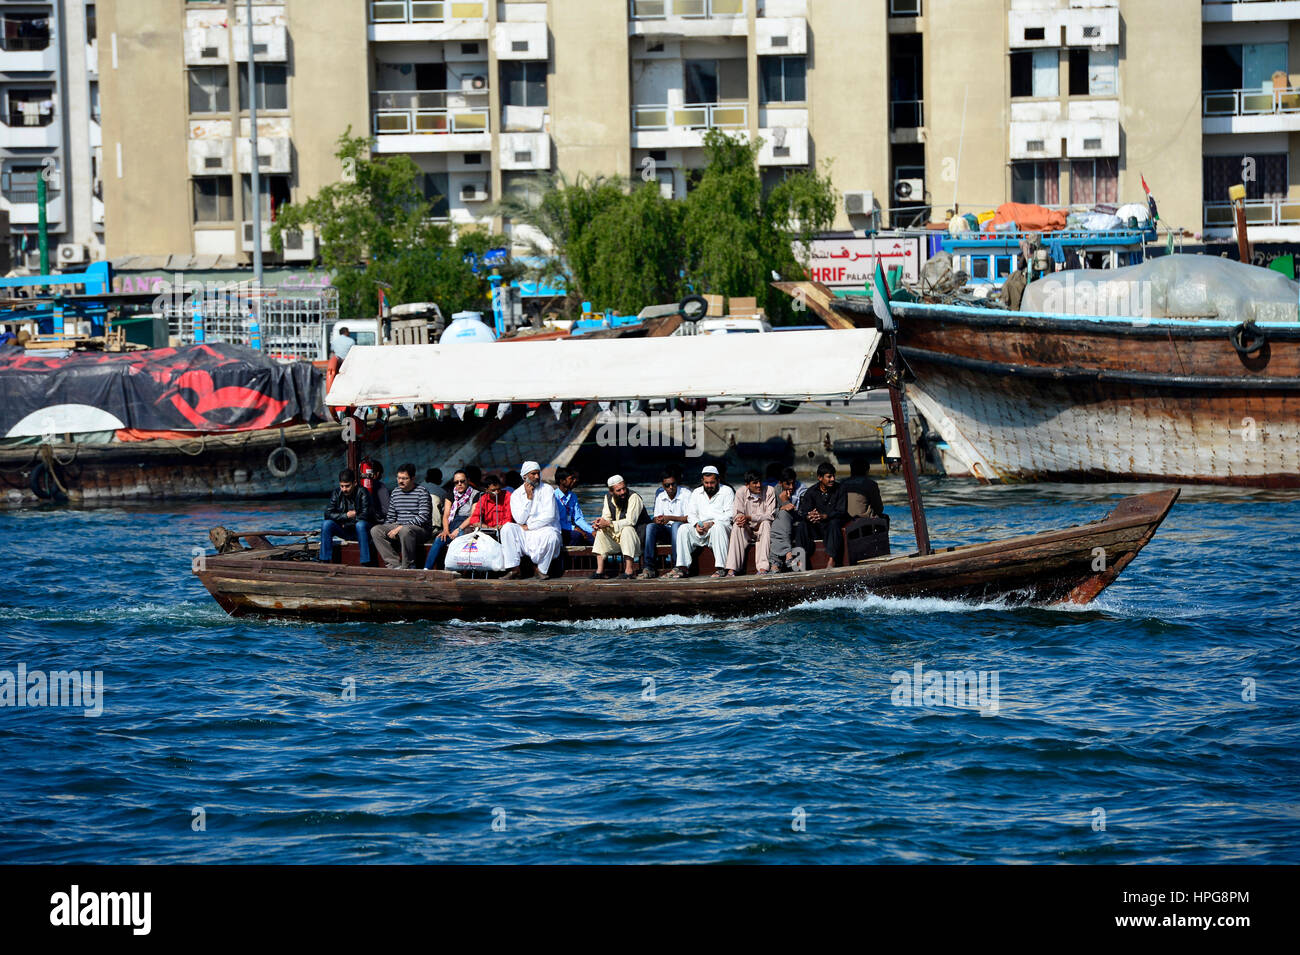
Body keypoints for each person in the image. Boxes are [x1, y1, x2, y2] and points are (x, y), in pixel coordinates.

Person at [665, 465, 735, 579]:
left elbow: (730, 515)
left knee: (718, 527)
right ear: (702, 481)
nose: (709, 485)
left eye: (712, 482)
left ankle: (721, 568)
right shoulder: (697, 492)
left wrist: (712, 523)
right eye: (706, 483)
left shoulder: (727, 491)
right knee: (683, 529)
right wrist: (696, 524)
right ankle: (682, 567)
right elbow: (691, 514)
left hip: (719, 528)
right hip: (701, 529)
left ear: (718, 480)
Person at [499, 460, 563, 578]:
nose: (537, 476)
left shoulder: (547, 489)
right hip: (526, 533)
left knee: (552, 536)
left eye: (538, 473)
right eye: (533, 474)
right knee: (507, 528)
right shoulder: (516, 494)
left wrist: (530, 526)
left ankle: (541, 570)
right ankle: (514, 569)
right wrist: (529, 498)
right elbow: (520, 519)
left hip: (545, 530)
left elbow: (550, 516)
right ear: (524, 476)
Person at [369, 462, 433, 569]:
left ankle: (407, 566)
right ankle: (394, 565)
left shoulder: (422, 492)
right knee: (376, 530)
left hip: (420, 530)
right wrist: (387, 529)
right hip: (399, 526)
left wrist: (400, 528)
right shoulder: (395, 492)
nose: (400, 481)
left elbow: (423, 517)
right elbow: (390, 517)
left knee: (405, 530)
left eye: (404, 478)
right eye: (398, 478)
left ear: (413, 478)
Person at [638, 468, 690, 579]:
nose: (670, 488)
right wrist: (658, 520)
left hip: (682, 530)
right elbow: (657, 517)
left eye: (673, 484)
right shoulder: (661, 496)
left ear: (677, 483)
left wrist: (670, 518)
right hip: (666, 530)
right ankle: (649, 567)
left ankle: (678, 566)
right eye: (667, 485)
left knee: (676, 526)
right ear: (663, 485)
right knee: (650, 526)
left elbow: (690, 518)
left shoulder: (686, 494)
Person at [591, 475, 647, 580]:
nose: (622, 492)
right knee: (600, 531)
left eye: (624, 488)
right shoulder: (607, 498)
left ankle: (629, 571)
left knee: (627, 529)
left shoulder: (634, 497)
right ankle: (600, 571)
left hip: (637, 540)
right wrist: (600, 523)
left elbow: (631, 521)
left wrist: (609, 524)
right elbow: (606, 517)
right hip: (618, 540)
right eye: (618, 490)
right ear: (611, 492)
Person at [424, 469, 479, 570]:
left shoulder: (476, 494)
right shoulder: (451, 494)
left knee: (460, 538)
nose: (459, 484)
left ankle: (454, 569)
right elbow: (446, 515)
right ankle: (427, 569)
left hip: (465, 525)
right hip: (451, 523)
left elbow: (473, 516)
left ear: (468, 480)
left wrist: (459, 529)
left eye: (462, 481)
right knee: (439, 539)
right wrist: (445, 530)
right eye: (456, 482)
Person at [724, 471, 777, 576]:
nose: (759, 485)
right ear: (747, 485)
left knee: (766, 523)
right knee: (737, 526)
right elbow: (736, 514)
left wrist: (749, 517)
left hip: (762, 528)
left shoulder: (769, 491)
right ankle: (732, 568)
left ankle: (763, 568)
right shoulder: (740, 492)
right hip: (747, 529)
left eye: (760, 482)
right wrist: (740, 518)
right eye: (755, 483)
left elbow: (770, 515)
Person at [799, 461, 850, 568]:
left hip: (831, 527)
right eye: (829, 477)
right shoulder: (811, 492)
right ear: (820, 478)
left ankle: (832, 560)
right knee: (802, 525)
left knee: (834, 522)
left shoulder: (840, 489)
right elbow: (803, 511)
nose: (832, 479)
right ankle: (801, 559)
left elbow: (841, 511)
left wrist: (825, 516)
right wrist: (810, 516)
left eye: (833, 476)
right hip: (817, 527)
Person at [319, 468, 374, 565]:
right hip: (344, 530)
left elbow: (365, 516)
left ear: (355, 483)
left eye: (347, 486)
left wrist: (346, 524)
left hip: (360, 531)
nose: (344, 489)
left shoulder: (363, 493)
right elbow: (327, 514)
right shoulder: (337, 493)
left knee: (360, 525)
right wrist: (346, 515)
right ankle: (325, 561)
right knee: (326, 524)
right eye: (342, 486)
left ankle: (365, 562)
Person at [770, 467, 812, 572]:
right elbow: (772, 511)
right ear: (780, 483)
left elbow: (803, 512)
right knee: (780, 520)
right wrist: (782, 506)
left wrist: (785, 502)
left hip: (797, 521)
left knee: (782, 519)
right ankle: (788, 555)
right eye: (787, 484)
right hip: (782, 524)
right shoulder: (776, 490)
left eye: (793, 483)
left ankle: (775, 563)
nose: (791, 487)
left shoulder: (801, 489)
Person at [553, 467, 595, 546]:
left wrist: (591, 530)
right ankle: (570, 558)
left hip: (570, 528)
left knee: (593, 536)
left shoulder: (573, 496)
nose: (575, 480)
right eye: (571, 478)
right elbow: (555, 522)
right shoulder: (554, 497)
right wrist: (574, 529)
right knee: (577, 535)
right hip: (559, 529)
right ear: (562, 481)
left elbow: (578, 519)